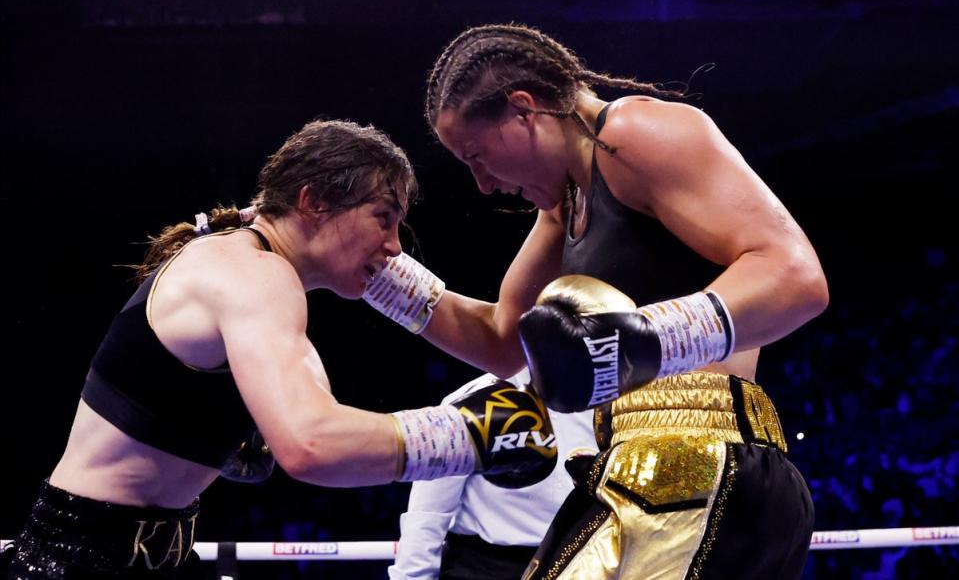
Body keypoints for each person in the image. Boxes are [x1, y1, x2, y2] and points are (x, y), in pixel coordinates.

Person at [362, 24, 829, 579]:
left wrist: (642, 335)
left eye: (477, 156)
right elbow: (499, 340)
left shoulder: (637, 131)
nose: (482, 184)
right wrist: (371, 267)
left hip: (707, 461)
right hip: (636, 462)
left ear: (523, 110)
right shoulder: (566, 206)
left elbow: (796, 277)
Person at [1, 118, 558, 580]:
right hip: (79, 559)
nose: (393, 246)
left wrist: (555, 214)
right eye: (382, 220)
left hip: (157, 553)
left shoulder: (261, 269)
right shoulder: (254, 274)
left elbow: (499, 347)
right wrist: (468, 435)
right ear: (313, 202)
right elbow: (312, 446)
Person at [388, 369, 596, 580]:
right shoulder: (471, 400)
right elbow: (429, 512)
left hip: (583, 562)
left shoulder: (607, 402)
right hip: (486, 567)